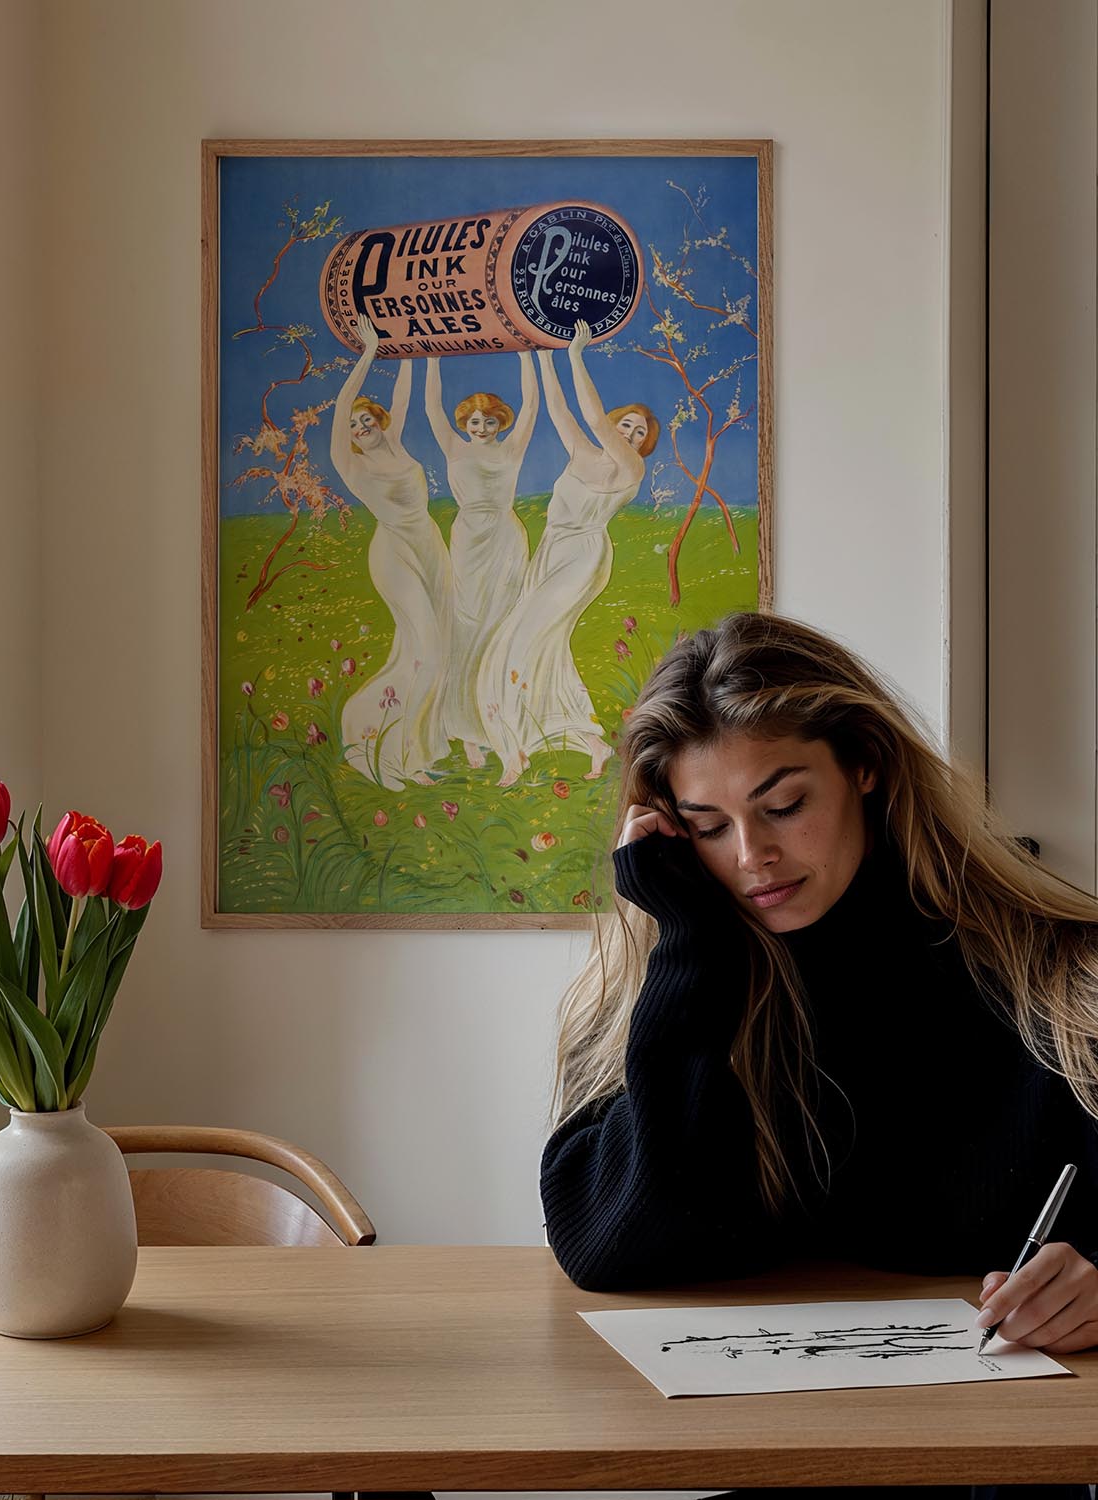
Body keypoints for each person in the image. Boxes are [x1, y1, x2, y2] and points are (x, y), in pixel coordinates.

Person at [540, 611, 1098, 1499]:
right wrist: (689, 947)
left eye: (784, 805)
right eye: (707, 825)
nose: (753, 856)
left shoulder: (1061, 979)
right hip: (780, 1462)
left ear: (865, 764)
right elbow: (611, 1247)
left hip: (1002, 1470)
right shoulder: (663, 988)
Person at [479, 319, 659, 787]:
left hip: (583, 555)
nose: (631, 434)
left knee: (522, 635)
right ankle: (588, 742)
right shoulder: (583, 453)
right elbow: (561, 410)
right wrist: (539, 353)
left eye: (639, 432)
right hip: (552, 548)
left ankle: (513, 750)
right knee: (547, 649)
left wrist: (574, 354)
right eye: (627, 425)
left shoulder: (629, 466)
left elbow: (595, 418)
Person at [329, 315, 452, 790]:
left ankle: (415, 753)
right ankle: (375, 746)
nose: (362, 428)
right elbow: (343, 405)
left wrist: (423, 344)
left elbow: (402, 390)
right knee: (428, 650)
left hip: (429, 547)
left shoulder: (395, 441)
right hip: (394, 551)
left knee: (433, 648)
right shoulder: (352, 466)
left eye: (367, 420)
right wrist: (368, 352)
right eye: (355, 427)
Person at [424, 353, 538, 768]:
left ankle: (500, 724)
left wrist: (528, 353)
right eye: (474, 421)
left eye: (489, 421)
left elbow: (531, 407)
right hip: (468, 539)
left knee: (502, 628)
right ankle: (467, 732)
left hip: (506, 540)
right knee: (467, 629)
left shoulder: (511, 450)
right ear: (464, 425)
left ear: (499, 423)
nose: (482, 428)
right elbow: (432, 408)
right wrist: (431, 358)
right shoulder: (454, 446)